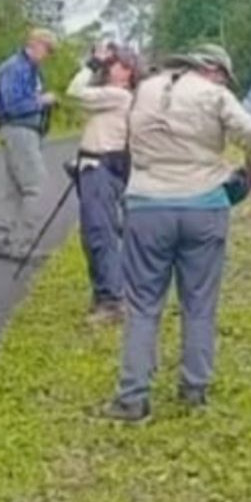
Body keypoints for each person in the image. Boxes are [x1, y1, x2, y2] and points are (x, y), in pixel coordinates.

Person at [104, 43, 251, 422]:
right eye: (223, 73)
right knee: (199, 303)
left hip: (147, 205)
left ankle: (132, 397)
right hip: (204, 206)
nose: (224, 80)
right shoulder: (214, 94)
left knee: (143, 306)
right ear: (210, 68)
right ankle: (194, 387)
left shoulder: (142, 90)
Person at [67, 42, 141, 324]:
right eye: (113, 63)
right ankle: (103, 294)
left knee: (100, 233)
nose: (112, 67)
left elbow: (74, 92)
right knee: (93, 234)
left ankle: (112, 300)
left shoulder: (118, 95)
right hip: (95, 166)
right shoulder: (117, 96)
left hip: (101, 167)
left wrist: (92, 63)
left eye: (120, 64)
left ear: (130, 72)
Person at [0, 28, 58, 262]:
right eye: (47, 49)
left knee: (14, 190)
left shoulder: (30, 69)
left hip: (22, 131)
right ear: (35, 44)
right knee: (35, 186)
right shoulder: (15, 67)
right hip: (18, 129)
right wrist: (41, 101)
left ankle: (2, 239)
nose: (48, 55)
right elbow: (13, 104)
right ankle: (25, 244)